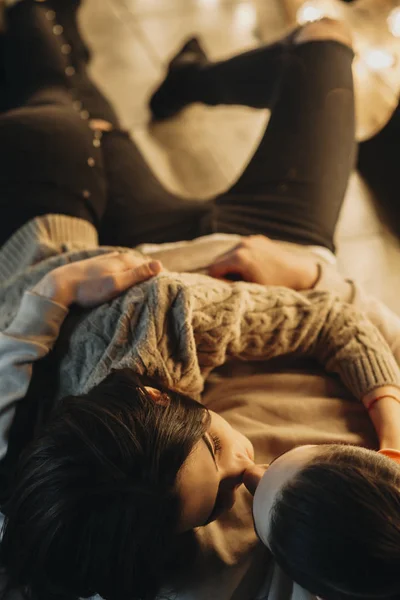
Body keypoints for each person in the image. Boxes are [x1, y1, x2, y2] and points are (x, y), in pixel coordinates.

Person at [0, 1, 400, 600]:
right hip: (273, 250)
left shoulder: (110, 512)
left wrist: (48, 294)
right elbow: (346, 318)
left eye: (218, 498)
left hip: (163, 263)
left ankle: (56, 38)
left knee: (73, 123)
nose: (255, 466)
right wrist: (311, 272)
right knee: (325, 42)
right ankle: (190, 78)